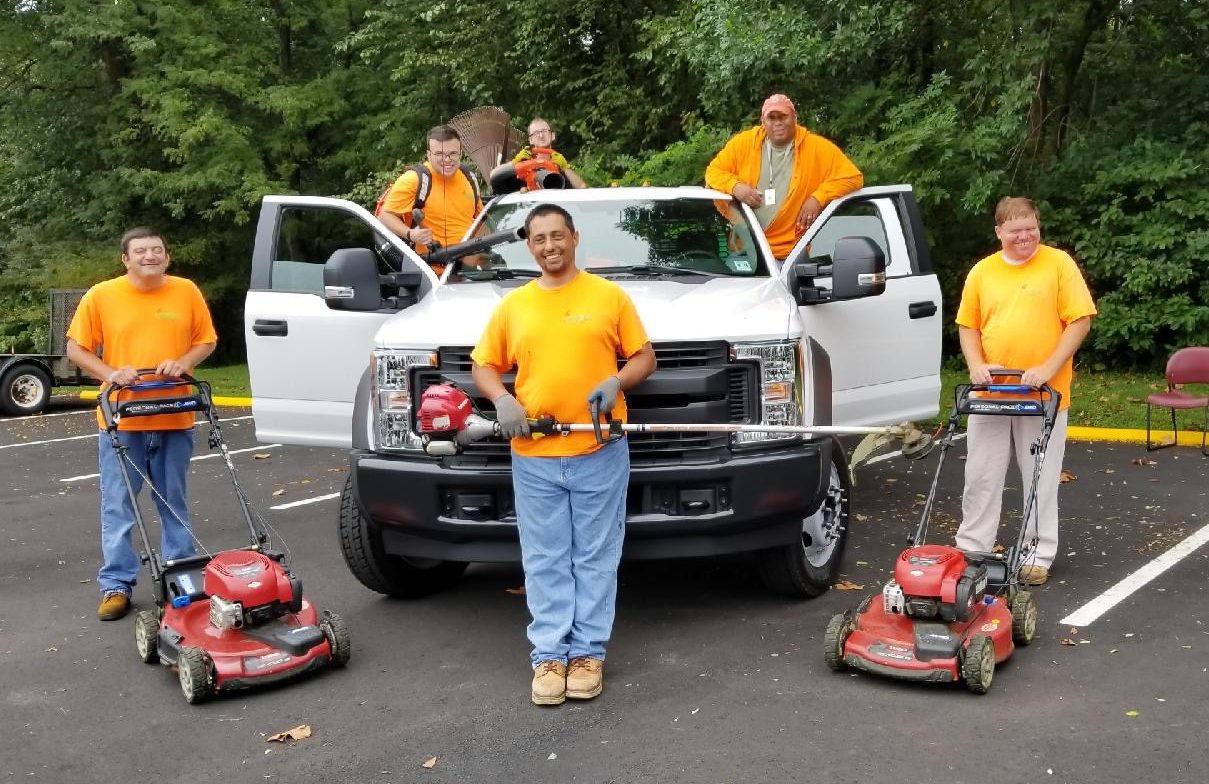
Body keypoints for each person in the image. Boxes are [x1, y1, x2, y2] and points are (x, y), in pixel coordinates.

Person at [470, 203, 656, 706]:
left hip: (600, 450)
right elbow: (484, 365)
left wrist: (616, 379)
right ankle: (549, 655)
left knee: (595, 556)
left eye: (557, 236)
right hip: (533, 455)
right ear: (529, 246)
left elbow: (645, 356)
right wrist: (503, 399)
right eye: (539, 239)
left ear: (574, 238)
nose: (549, 246)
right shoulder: (515, 306)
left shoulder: (607, 296)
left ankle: (588, 653)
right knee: (546, 557)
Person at [65, 227, 217, 620]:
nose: (150, 255)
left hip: (175, 412)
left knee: (173, 503)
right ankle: (116, 585)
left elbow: (207, 340)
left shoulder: (186, 291)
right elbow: (76, 349)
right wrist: (112, 372)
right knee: (118, 506)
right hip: (122, 420)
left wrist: (183, 364)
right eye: (141, 251)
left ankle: (180, 579)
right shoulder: (102, 295)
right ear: (126, 259)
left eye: (157, 250)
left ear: (166, 257)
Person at [954, 197, 1097, 586]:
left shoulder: (1058, 264)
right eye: (1015, 229)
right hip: (992, 393)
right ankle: (974, 548)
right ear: (999, 231)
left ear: (1039, 227)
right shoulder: (982, 272)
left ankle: (1037, 553)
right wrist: (976, 365)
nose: (1024, 236)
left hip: (1043, 394)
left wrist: (1048, 369)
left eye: (1030, 227)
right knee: (981, 474)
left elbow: (1080, 320)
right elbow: (968, 325)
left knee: (1040, 474)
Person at [705, 93, 863, 260]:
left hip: (790, 256)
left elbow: (853, 177)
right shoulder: (744, 143)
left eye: (783, 116)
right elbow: (713, 172)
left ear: (795, 118)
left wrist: (818, 198)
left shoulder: (816, 148)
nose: (778, 122)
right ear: (763, 121)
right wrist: (735, 187)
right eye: (771, 118)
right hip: (745, 251)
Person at [377, 125, 484, 258]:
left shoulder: (469, 177)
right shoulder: (414, 180)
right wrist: (411, 234)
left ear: (460, 153)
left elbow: (482, 219)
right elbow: (384, 216)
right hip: (435, 270)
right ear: (428, 154)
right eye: (440, 154)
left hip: (472, 268)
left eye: (453, 153)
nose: (447, 160)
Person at [493, 117, 587, 189]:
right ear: (530, 140)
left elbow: (583, 189)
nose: (541, 135)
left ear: (553, 135)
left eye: (544, 131)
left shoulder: (560, 163)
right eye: (536, 133)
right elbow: (493, 175)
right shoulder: (523, 162)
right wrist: (514, 164)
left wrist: (565, 168)